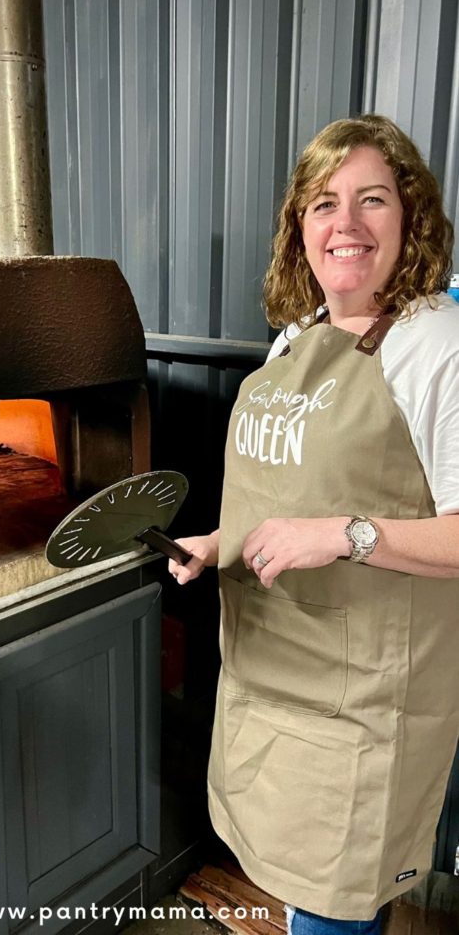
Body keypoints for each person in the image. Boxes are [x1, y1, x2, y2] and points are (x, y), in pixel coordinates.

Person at [169, 114, 459, 935]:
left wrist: (346, 534)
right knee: (299, 894)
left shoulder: (436, 344)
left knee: (336, 908)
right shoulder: (293, 342)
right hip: (268, 680)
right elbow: (285, 497)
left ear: (411, 220)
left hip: (363, 703)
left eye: (372, 200)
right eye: (323, 204)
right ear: (300, 228)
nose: (346, 224)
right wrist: (220, 541)